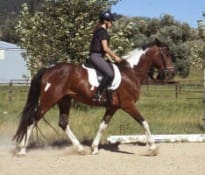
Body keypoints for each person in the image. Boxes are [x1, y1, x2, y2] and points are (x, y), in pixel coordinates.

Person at [89, 11, 122, 102]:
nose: (112, 23)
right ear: (106, 21)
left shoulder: (99, 31)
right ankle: (97, 94)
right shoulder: (103, 32)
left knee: (111, 70)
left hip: (98, 56)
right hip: (96, 56)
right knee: (110, 74)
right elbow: (106, 48)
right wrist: (116, 57)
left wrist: (111, 60)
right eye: (111, 21)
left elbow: (104, 51)